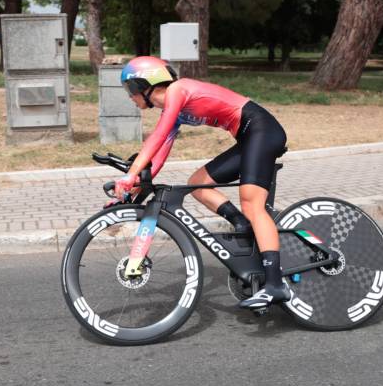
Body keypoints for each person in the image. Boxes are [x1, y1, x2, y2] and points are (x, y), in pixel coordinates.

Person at [115, 56, 290, 309]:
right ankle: (242, 223)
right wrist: (140, 183)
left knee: (253, 204)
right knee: (198, 183)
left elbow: (158, 135)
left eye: (130, 89)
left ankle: (275, 285)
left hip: (262, 129)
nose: (130, 97)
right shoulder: (172, 110)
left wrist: (130, 173)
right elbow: (161, 150)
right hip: (249, 136)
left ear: (145, 83)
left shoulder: (178, 89)